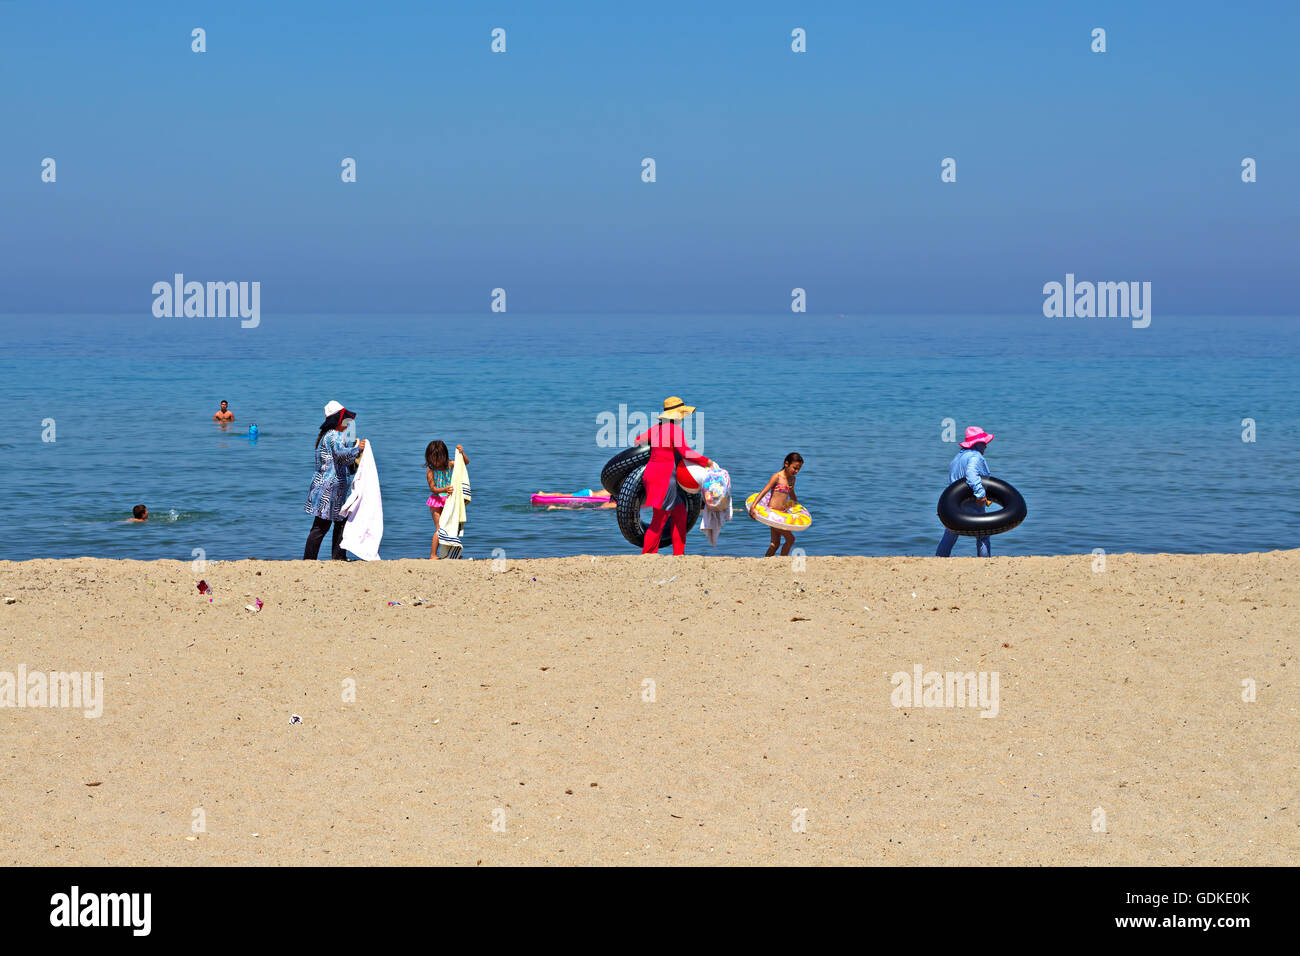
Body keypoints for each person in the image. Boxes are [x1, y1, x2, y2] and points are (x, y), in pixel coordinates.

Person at [631, 396, 713, 555]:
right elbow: (686, 452)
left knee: (680, 514)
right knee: (659, 519)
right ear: (678, 414)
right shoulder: (675, 430)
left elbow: (637, 441)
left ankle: (679, 555)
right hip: (665, 477)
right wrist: (707, 461)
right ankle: (647, 555)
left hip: (650, 474)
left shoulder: (656, 428)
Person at [303, 401, 366, 560]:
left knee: (339, 522)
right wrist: (358, 449)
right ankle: (311, 559)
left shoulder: (328, 435)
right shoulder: (334, 435)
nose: (347, 424)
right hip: (330, 489)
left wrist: (354, 451)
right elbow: (341, 454)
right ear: (338, 420)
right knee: (322, 525)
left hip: (330, 488)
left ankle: (336, 557)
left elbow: (341, 459)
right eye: (345, 420)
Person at [936, 426, 994, 558]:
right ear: (977, 444)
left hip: (954, 506)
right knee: (983, 534)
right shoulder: (975, 457)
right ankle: (985, 563)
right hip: (971, 504)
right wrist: (980, 495)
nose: (986, 446)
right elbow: (971, 475)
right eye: (984, 443)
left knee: (951, 533)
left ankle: (939, 558)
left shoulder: (957, 458)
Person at [750, 452, 804, 556]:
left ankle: (766, 562)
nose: (796, 471)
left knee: (775, 544)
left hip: (782, 514)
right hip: (773, 514)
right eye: (795, 468)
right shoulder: (777, 477)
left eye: (799, 469)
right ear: (786, 463)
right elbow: (764, 491)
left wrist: (798, 506)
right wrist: (753, 506)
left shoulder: (792, 479)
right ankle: (783, 560)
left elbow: (791, 492)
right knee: (790, 539)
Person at [425, 440, 469, 559]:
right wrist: (444, 489)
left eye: (440, 458)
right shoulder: (430, 470)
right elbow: (433, 488)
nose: (437, 462)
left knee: (452, 527)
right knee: (440, 528)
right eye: (434, 459)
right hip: (437, 502)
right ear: (429, 458)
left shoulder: (449, 465)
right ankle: (433, 554)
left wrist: (461, 453)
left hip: (449, 501)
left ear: (445, 456)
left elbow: (464, 463)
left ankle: (452, 554)